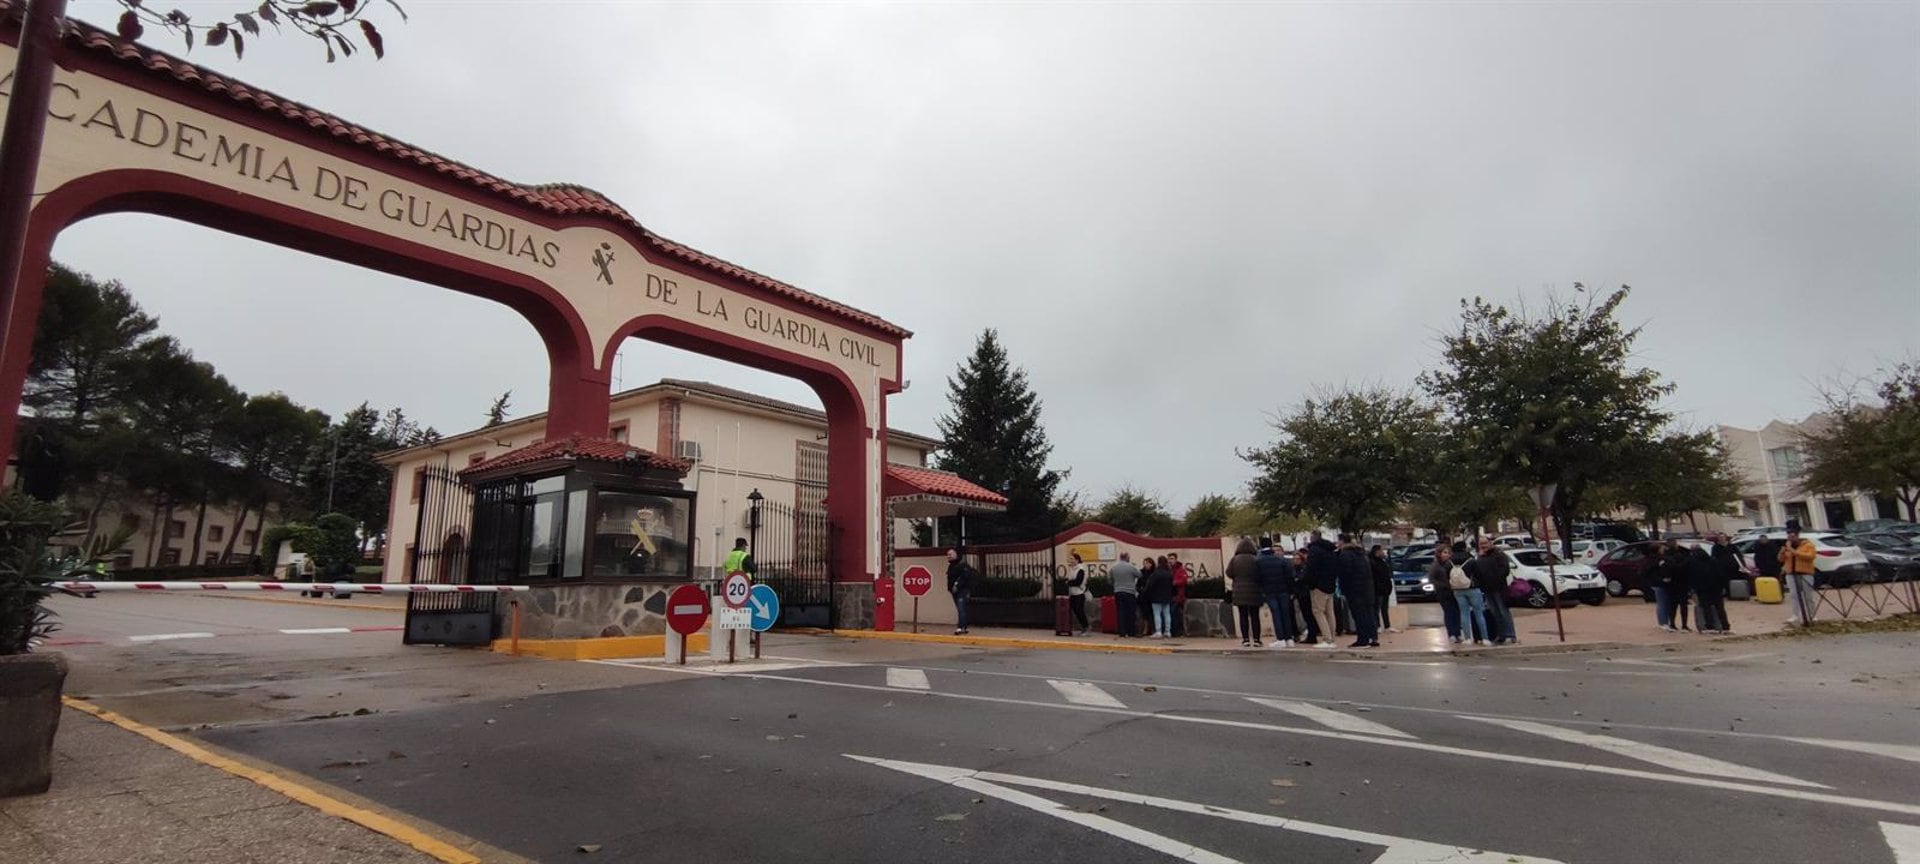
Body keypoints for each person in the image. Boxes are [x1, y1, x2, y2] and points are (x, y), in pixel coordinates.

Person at [1472, 539, 1517, 644]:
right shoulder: (1480, 557)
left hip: (1499, 588)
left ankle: (1510, 635)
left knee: (1503, 612)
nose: (1483, 546)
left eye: (1485, 543)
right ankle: (1501, 635)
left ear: (1490, 543)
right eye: (1481, 544)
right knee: (1494, 613)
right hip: (1487, 589)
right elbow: (1477, 571)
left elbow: (1505, 570)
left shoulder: (1499, 554)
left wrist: (1495, 579)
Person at [1255, 537, 1297, 647]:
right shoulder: (1281, 560)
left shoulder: (1258, 561)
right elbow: (1289, 576)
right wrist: (1291, 590)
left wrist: (1262, 590)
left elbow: (1257, 578)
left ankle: (1280, 638)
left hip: (1269, 591)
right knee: (1285, 614)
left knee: (1276, 614)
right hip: (1283, 590)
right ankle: (1289, 638)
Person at [1339, 534, 1379, 648]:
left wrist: (1344, 589)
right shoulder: (1362, 554)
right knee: (1369, 614)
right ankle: (1373, 637)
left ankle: (1363, 639)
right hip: (1367, 588)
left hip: (1355, 590)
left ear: (1342, 541)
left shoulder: (1346, 554)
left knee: (1359, 615)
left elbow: (1345, 574)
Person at [1778, 522, 1819, 627]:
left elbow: (1810, 557)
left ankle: (1812, 615)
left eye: (1792, 536)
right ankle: (1795, 615)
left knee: (1808, 595)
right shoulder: (1787, 546)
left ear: (1797, 536)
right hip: (1791, 573)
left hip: (1805, 572)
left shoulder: (1808, 545)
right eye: (1789, 536)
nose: (1790, 538)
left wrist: (1792, 550)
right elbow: (1781, 560)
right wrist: (1782, 552)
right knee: (1793, 595)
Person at [1226, 538, 1263, 647]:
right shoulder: (1256, 559)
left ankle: (1245, 639)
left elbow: (1229, 573)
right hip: (1254, 591)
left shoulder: (1234, 560)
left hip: (1239, 591)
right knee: (1255, 615)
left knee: (1243, 615)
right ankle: (1256, 639)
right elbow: (1260, 574)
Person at [1306, 532, 1340, 649]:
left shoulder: (1314, 551)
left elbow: (1311, 569)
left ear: (1312, 538)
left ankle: (1327, 639)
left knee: (1318, 611)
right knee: (1330, 613)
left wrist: (1311, 584)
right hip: (1330, 585)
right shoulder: (1330, 551)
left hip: (1318, 586)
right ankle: (1332, 638)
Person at [1701, 535, 1739, 635]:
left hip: (1712, 588)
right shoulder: (1716, 552)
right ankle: (1722, 626)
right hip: (1715, 589)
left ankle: (1717, 626)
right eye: (1720, 538)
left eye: (1723, 537)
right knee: (1717, 608)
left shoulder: (1731, 547)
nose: (1721, 539)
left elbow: (1738, 556)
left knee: (1712, 607)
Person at [1455, 547, 1491, 646]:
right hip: (1472, 588)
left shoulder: (1451, 562)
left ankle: (1467, 638)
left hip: (1457, 589)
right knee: (1479, 613)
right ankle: (1485, 638)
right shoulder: (1471, 561)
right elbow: (1479, 574)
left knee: (1464, 613)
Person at [1428, 545, 1461, 643]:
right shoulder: (1435, 566)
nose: (1447, 555)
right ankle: (1451, 633)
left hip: (1453, 591)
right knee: (1448, 612)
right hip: (1443, 592)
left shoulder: (1450, 564)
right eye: (1444, 552)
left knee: (1456, 612)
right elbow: (1432, 579)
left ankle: (1457, 633)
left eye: (1448, 553)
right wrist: (1444, 585)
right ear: (1439, 553)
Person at [1109, 553, 1141, 638]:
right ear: (1127, 558)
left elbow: (1110, 580)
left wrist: (1116, 585)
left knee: (1120, 612)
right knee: (1131, 612)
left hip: (1118, 592)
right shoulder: (1131, 567)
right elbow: (1140, 575)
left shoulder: (1114, 568)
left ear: (1120, 558)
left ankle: (1122, 632)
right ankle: (1131, 631)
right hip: (1129, 592)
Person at [1145, 554, 1177, 639]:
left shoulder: (1156, 573)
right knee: (1167, 614)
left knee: (1157, 614)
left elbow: (1150, 585)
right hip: (1167, 597)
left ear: (1158, 563)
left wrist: (1147, 593)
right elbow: (1172, 586)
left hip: (1156, 597)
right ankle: (1167, 631)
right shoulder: (1169, 574)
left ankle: (1158, 631)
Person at [1291, 548, 1318, 645]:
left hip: (1305, 594)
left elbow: (1301, 579)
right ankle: (1311, 635)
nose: (1296, 560)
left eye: (1298, 559)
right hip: (1299, 594)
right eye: (1294, 559)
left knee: (1309, 615)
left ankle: (1313, 635)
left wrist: (1297, 579)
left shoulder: (1304, 568)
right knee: (1306, 616)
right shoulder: (1294, 569)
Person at [945, 547, 975, 635]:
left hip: (962, 591)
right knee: (960, 609)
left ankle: (960, 627)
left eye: (950, 554)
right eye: (948, 555)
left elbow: (964, 577)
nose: (948, 556)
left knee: (961, 608)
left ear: (956, 554)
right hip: (954, 592)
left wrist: (957, 585)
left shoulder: (962, 565)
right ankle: (964, 627)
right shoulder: (951, 566)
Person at [1369, 544, 1395, 634]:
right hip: (1378, 589)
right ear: (1377, 551)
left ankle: (1387, 626)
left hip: (1385, 589)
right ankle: (1377, 626)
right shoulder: (1372, 563)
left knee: (1384, 608)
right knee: (1376, 608)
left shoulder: (1383, 562)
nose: (1383, 552)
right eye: (1381, 550)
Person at [1065, 552, 1090, 635]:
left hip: (1079, 593)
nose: (1070, 560)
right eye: (1070, 559)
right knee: (1076, 611)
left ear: (1077, 560)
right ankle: (1083, 627)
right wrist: (1070, 582)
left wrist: (1069, 583)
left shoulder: (1081, 569)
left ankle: (1086, 627)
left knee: (1080, 611)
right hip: (1073, 594)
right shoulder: (1072, 569)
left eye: (1072, 559)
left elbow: (1078, 581)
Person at [1168, 553, 1191, 638]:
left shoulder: (1181, 570)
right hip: (1171, 596)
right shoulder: (1169, 570)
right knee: (1172, 614)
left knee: (1176, 614)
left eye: (1172, 558)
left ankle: (1179, 632)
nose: (1170, 560)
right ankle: (1173, 631)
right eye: (1169, 559)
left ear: (1176, 559)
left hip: (1178, 596)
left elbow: (1184, 580)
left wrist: (1174, 582)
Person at [1136, 556, 1159, 636]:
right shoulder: (1141, 572)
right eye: (1145, 563)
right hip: (1143, 597)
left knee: (1152, 613)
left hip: (1152, 596)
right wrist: (1140, 590)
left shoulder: (1155, 573)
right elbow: (1138, 585)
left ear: (1152, 564)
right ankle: (1145, 629)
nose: (1146, 565)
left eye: (1148, 563)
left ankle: (1153, 629)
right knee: (1144, 614)